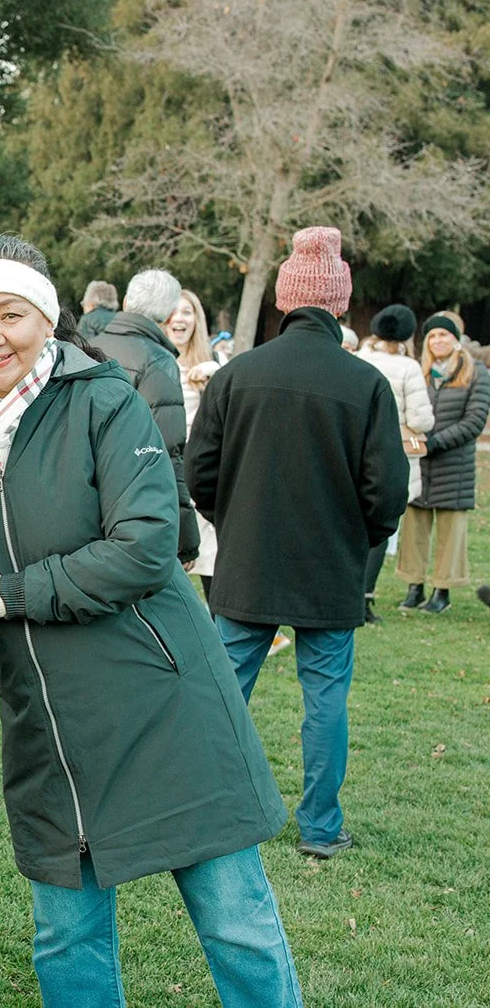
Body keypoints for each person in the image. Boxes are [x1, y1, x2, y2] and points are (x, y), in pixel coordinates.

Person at [0, 234, 301, 1008]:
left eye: (10, 314)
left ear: (47, 317)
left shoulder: (105, 399)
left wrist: (8, 592)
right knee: (66, 940)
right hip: (48, 723)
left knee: (235, 922)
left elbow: (144, 547)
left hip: (162, 700)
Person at [188, 226, 408, 860]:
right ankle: (320, 825)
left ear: (286, 301)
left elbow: (199, 472)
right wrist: (360, 538)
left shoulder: (237, 375)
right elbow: (387, 490)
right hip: (329, 564)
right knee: (325, 701)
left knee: (224, 693)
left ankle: (210, 809)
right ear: (339, 304)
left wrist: (233, 521)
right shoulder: (365, 383)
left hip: (249, 560)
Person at [91, 268, 201, 567]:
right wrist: (185, 539)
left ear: (126, 301)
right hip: (131, 506)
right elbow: (167, 450)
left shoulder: (87, 346)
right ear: (169, 314)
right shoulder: (158, 361)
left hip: (85, 497)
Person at [395, 314, 490, 614]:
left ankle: (442, 591)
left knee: (450, 530)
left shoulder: (475, 372)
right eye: (433, 336)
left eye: (444, 335)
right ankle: (414, 586)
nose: (438, 341)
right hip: (420, 462)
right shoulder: (418, 371)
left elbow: (475, 420)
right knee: (414, 526)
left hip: (453, 463)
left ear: (455, 339)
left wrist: (436, 442)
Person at [354, 305, 434, 623]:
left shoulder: (359, 359)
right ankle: (364, 597)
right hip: (392, 451)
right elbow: (421, 419)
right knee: (381, 524)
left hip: (356, 450)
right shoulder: (408, 367)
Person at [166, 288, 223, 596]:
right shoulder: (154, 360)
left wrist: (215, 380)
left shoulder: (215, 362)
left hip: (203, 471)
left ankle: (218, 621)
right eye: (173, 312)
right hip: (166, 470)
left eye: (187, 312)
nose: (179, 318)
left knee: (213, 559)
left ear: (197, 319)